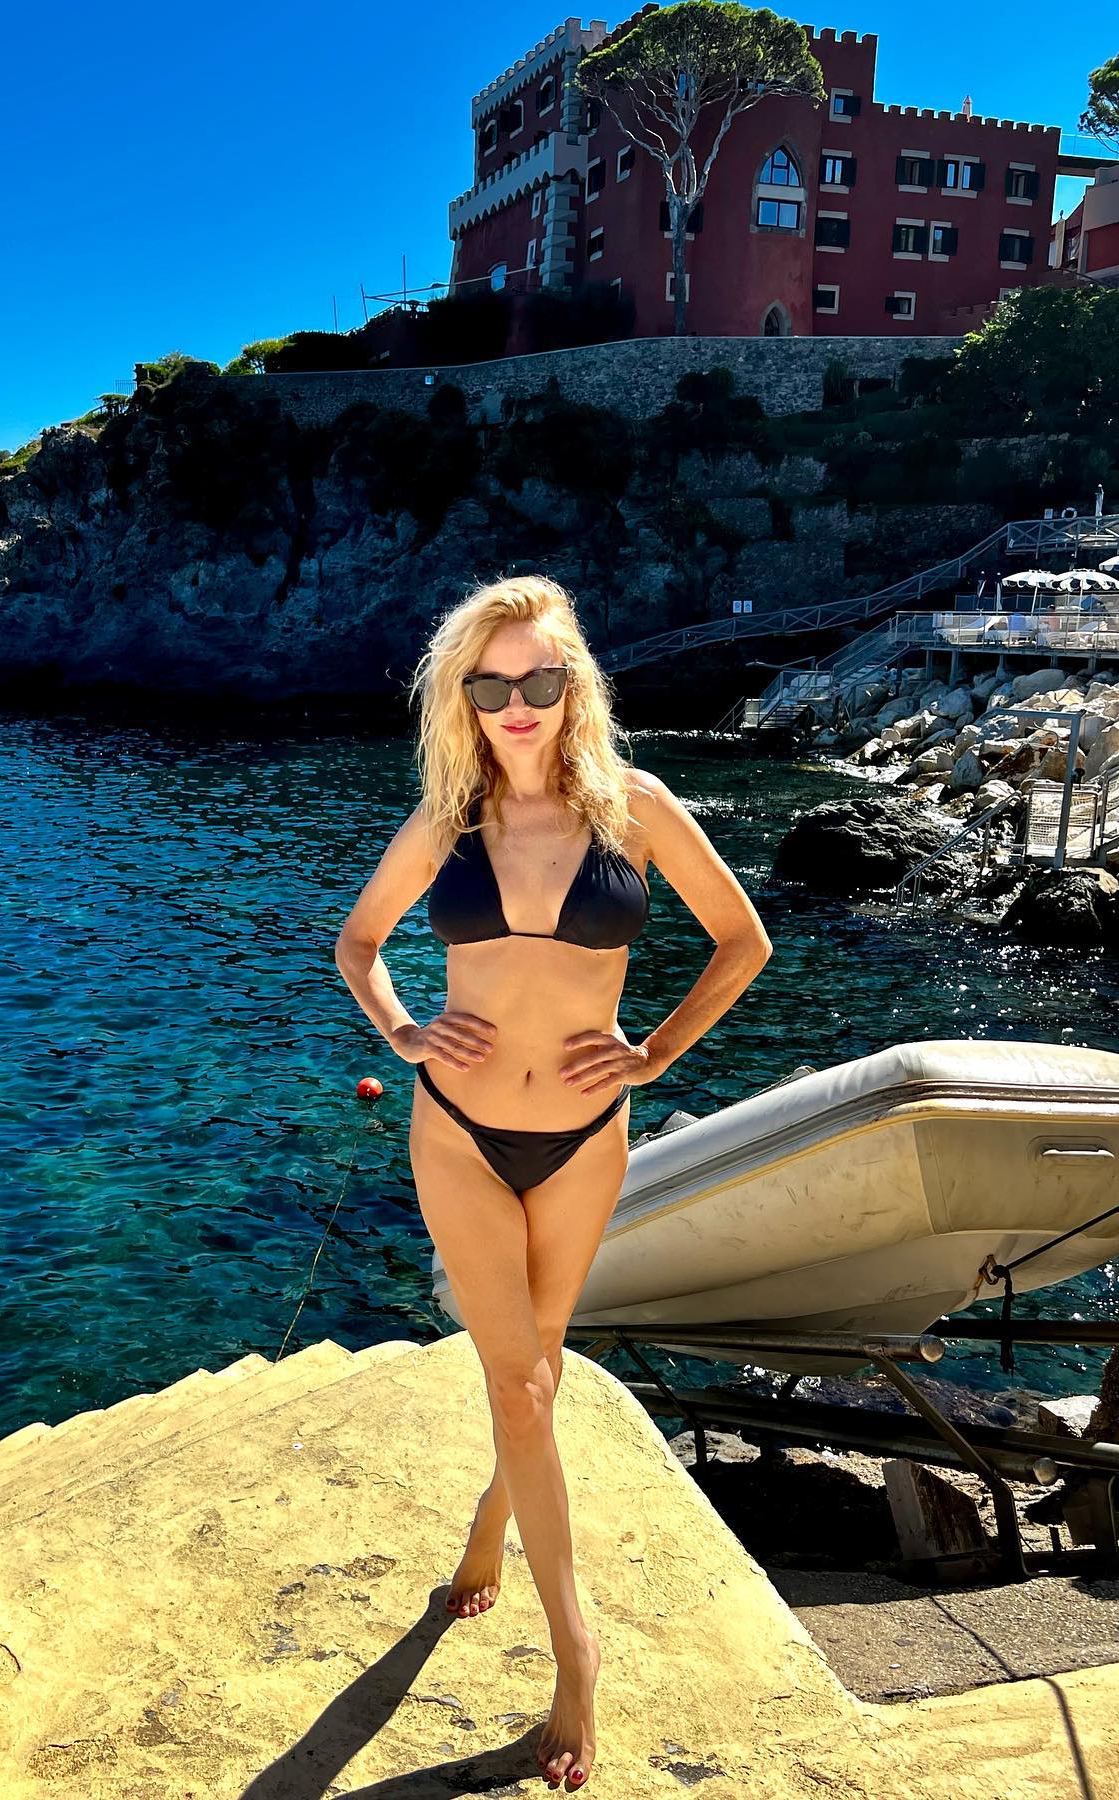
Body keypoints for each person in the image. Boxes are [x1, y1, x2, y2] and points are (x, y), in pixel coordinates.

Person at [334, 575, 773, 1791]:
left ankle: (490, 1525)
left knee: (537, 1366)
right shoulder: (448, 821)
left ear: (574, 684)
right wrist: (403, 1032)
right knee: (520, 1380)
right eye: (491, 684)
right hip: (459, 1131)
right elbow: (358, 944)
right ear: (463, 699)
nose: (517, 703)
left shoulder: (638, 807)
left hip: (587, 1136)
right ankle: (578, 1652)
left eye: (539, 678)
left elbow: (744, 941)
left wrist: (657, 1052)